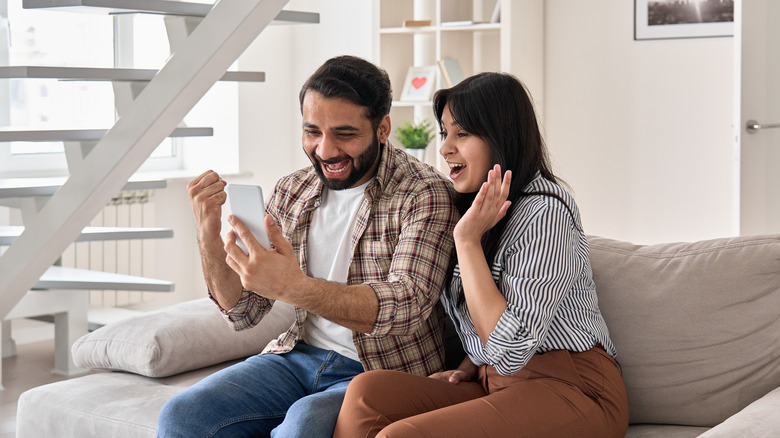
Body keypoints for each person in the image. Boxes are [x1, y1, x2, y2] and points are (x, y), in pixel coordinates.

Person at [156, 55, 459, 438]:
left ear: (382, 128)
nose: (324, 150)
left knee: (301, 427)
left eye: (345, 134)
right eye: (312, 131)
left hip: (381, 372)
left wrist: (293, 287)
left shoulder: (424, 194)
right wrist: (207, 235)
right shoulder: (292, 190)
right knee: (182, 416)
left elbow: (405, 306)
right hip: (295, 356)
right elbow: (243, 312)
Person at [333, 72, 630, 437]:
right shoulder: (475, 208)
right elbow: (485, 325)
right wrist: (471, 362)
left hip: (575, 390)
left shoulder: (546, 212)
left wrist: (467, 241)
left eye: (462, 133)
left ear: (500, 136)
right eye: (444, 134)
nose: (444, 149)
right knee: (367, 393)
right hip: (497, 382)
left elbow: (510, 351)